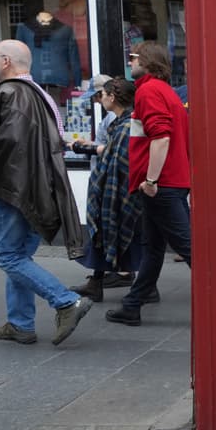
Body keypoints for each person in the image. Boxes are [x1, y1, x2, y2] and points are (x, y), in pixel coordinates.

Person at [0, 39, 92, 345]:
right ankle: (20, 324)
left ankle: (66, 301)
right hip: (37, 190)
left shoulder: (7, 94)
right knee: (19, 257)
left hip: (10, 191)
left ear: (5, 61)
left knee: (6, 256)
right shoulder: (41, 95)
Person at [105, 41, 192, 326]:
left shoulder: (149, 90)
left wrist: (151, 180)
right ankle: (132, 305)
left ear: (148, 60)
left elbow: (161, 137)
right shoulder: (165, 91)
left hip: (161, 184)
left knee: (190, 248)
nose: (130, 62)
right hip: (172, 180)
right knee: (152, 246)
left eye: (134, 57)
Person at [69, 78, 148, 304]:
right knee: (105, 235)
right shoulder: (123, 122)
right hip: (116, 190)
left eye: (102, 94)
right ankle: (97, 282)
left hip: (122, 192)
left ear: (112, 97)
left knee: (129, 238)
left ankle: (146, 287)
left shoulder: (126, 125)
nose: (100, 98)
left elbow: (119, 163)